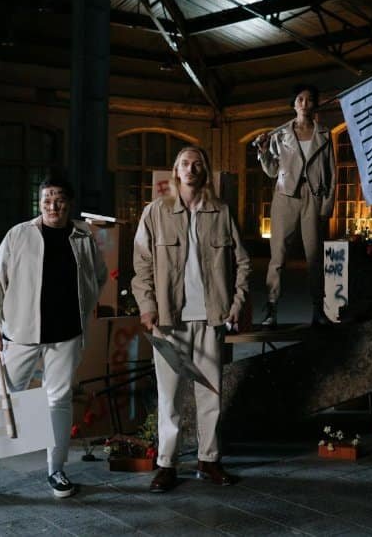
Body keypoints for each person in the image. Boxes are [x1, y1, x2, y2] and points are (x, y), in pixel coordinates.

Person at [0, 174, 107, 509]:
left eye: (59, 199)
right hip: (19, 333)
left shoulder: (83, 236)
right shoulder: (19, 234)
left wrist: (83, 310)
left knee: (58, 399)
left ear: (69, 203)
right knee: (0, 397)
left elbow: (98, 275)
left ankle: (56, 471)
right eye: (46, 199)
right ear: (39, 203)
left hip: (66, 335)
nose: (52, 206)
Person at [133, 145, 251, 493]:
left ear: (206, 171)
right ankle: (167, 464)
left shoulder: (222, 212)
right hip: (168, 320)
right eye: (185, 163)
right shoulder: (156, 212)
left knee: (209, 394)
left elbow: (243, 263)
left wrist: (236, 303)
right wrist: (147, 306)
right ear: (176, 171)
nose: (191, 168)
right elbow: (141, 265)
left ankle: (208, 460)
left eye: (197, 163)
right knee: (168, 397)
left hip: (211, 318)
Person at [254, 84, 336, 328]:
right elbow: (271, 171)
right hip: (285, 196)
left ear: (314, 105)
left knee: (314, 257)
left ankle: (318, 310)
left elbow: (331, 173)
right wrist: (263, 151)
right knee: (277, 257)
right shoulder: (280, 134)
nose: (304, 103)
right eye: (300, 99)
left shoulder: (324, 134)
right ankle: (271, 309)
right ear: (294, 104)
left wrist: (326, 207)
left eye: (309, 99)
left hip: (313, 196)